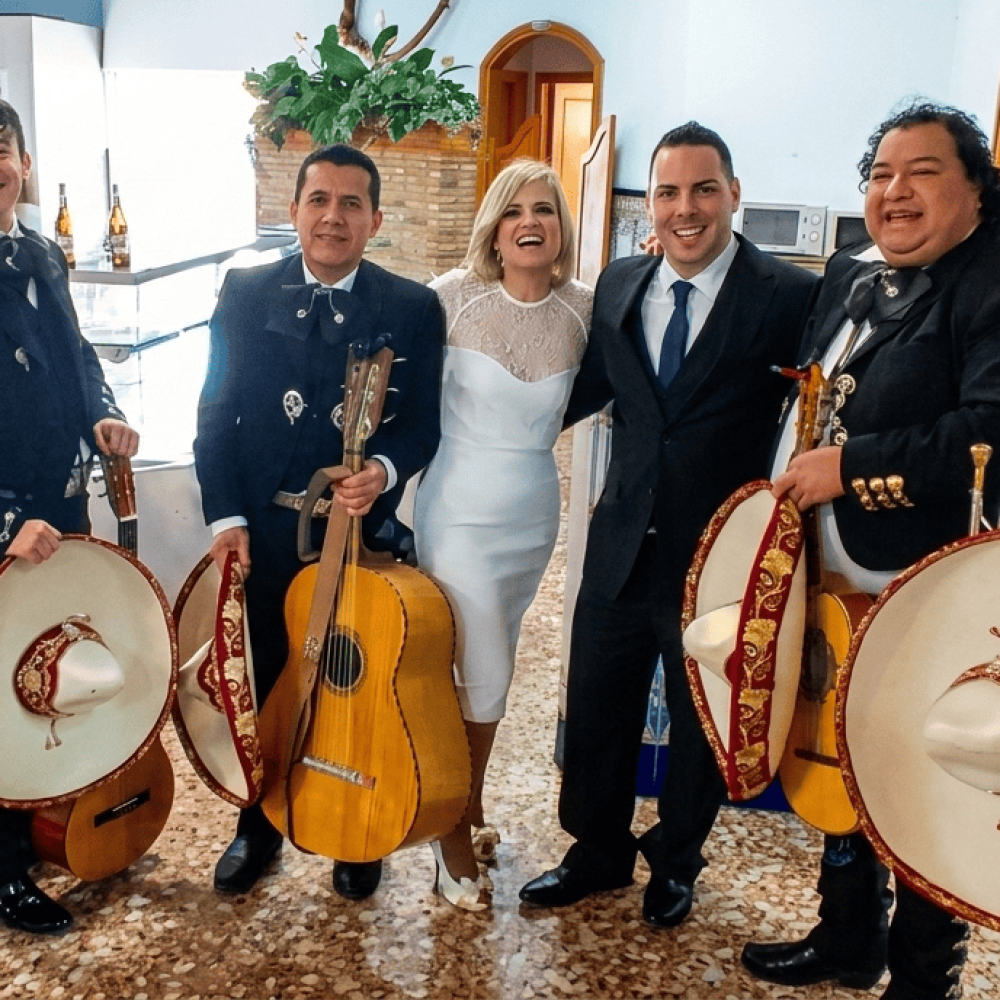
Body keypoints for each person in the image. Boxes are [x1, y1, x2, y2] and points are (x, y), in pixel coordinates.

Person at [519, 122, 817, 926]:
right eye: (668, 192)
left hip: (720, 556)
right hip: (621, 540)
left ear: (733, 195)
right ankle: (596, 851)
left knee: (698, 725)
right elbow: (585, 386)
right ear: (649, 202)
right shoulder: (618, 284)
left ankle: (678, 858)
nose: (686, 209)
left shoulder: (787, 295)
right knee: (599, 704)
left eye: (703, 190)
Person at [741, 102, 1000, 1000]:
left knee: (915, 769)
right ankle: (846, 934)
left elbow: (991, 427)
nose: (895, 192)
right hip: (834, 563)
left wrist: (851, 469)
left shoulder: (990, 283)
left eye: (922, 172)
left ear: (975, 190)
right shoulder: (855, 278)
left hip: (930, 575)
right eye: (881, 174)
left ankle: (927, 976)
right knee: (838, 745)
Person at [194, 143, 444, 902]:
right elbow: (215, 414)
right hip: (264, 536)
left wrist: (385, 472)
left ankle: (355, 825)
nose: (332, 217)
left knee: (355, 677)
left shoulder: (410, 306)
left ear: (373, 219)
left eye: (350, 204)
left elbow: (424, 423)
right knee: (265, 675)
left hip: (359, 536)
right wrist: (226, 517)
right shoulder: (242, 291)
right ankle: (256, 826)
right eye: (319, 201)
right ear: (295, 210)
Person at [412, 160, 592, 910]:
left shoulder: (585, 309)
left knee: (496, 668)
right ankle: (450, 831)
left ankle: (467, 803)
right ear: (494, 222)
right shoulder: (449, 300)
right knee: (476, 673)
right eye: (515, 208)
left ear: (560, 228)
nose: (530, 222)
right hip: (456, 510)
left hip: (530, 518)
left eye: (545, 210)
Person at [0, 99, 140, 935]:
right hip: (10, 526)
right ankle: (4, 872)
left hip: (61, 513)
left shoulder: (42, 252)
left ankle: (57, 831)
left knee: (54, 676)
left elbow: (79, 358)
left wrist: (104, 415)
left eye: (3, 144)